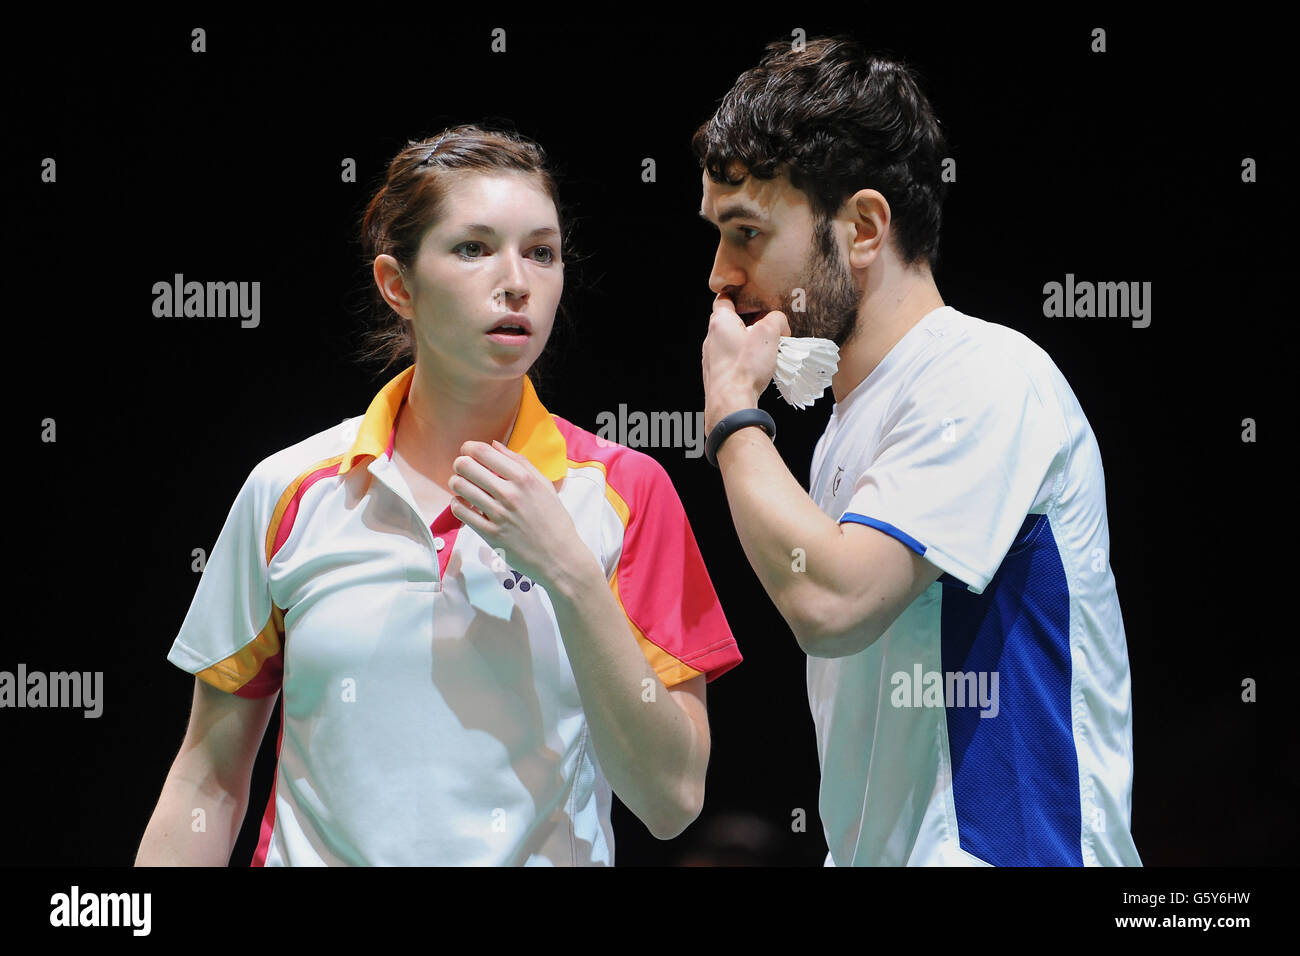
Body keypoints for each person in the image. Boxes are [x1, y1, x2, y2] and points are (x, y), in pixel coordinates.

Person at [136, 125, 740, 866]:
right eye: (473, 248)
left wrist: (572, 574)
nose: (516, 279)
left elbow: (671, 800)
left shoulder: (626, 492)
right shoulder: (289, 490)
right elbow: (207, 781)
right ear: (398, 285)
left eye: (541, 252)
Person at [695, 37, 1141, 866]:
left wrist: (729, 412)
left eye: (747, 233)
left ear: (863, 227)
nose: (719, 275)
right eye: (717, 236)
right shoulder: (841, 435)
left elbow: (833, 605)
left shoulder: (984, 375)